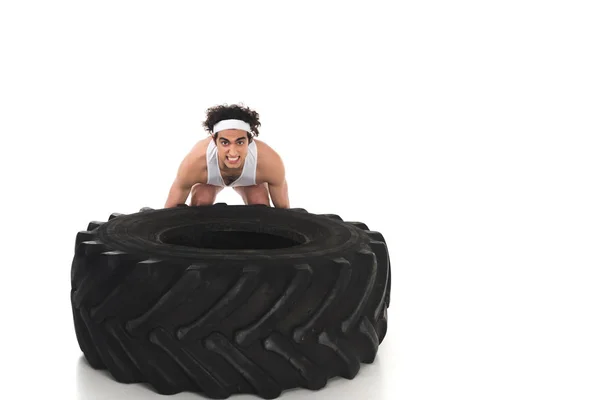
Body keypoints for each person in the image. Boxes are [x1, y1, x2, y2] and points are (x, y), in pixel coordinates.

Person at [164, 103, 290, 208]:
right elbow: (167, 214)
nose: (233, 152)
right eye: (225, 143)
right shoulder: (195, 163)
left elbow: (286, 215)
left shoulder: (270, 162)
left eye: (240, 142)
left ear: (250, 140)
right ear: (214, 141)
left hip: (250, 182)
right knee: (202, 199)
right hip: (209, 182)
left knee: (259, 201)